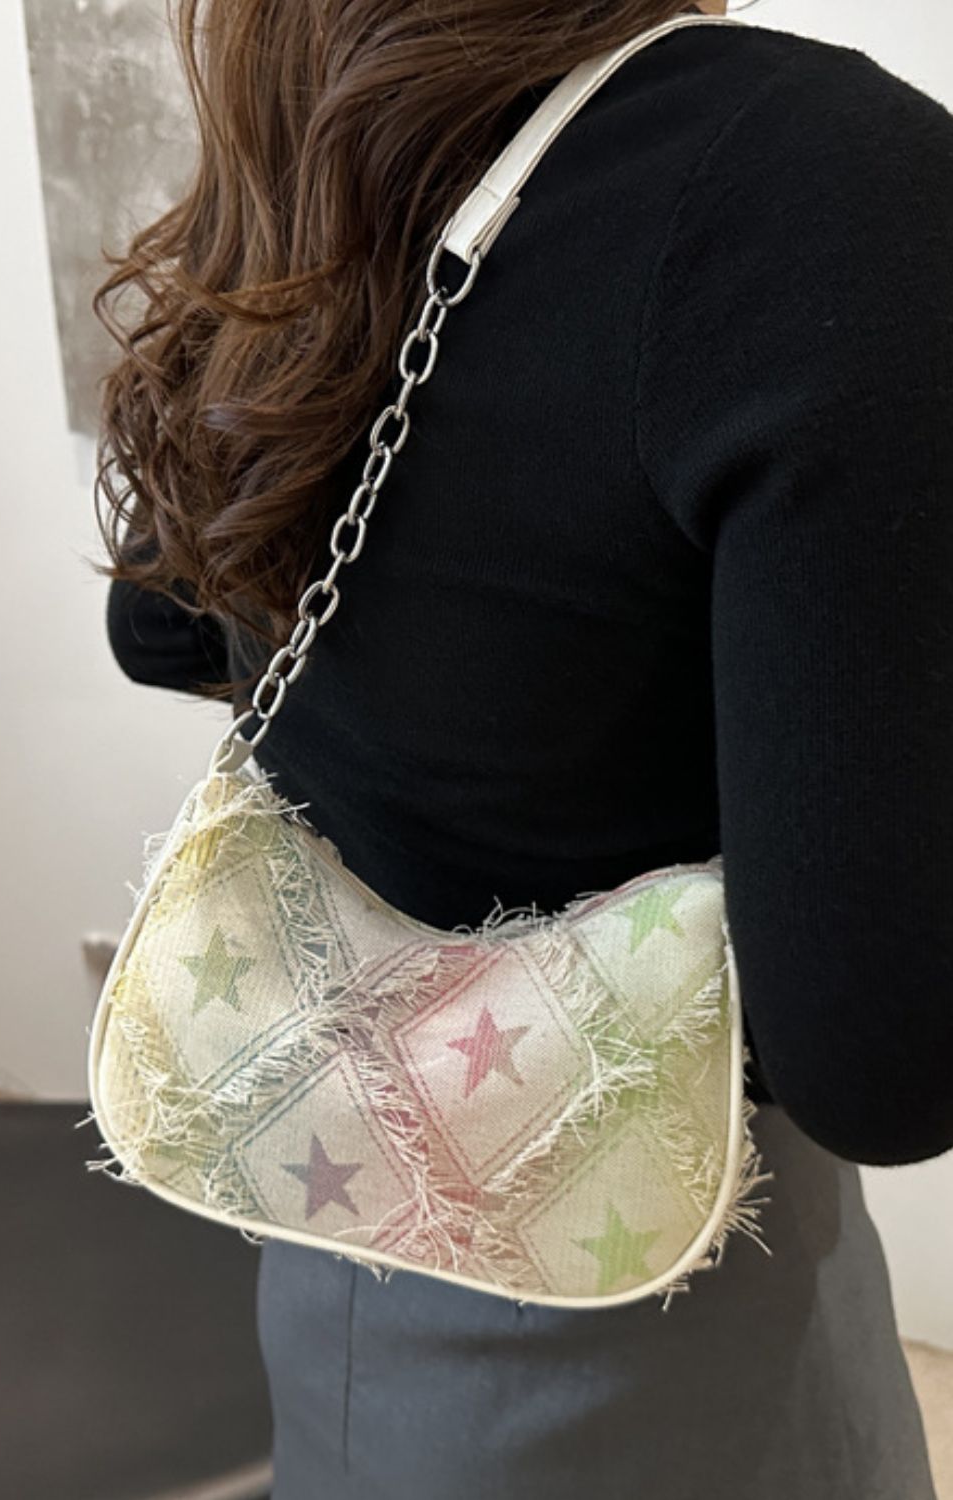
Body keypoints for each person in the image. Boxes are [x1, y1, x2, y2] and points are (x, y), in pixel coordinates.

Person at [96, 0, 953, 1494]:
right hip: (654, 1316)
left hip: (328, 1205)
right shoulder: (816, 176)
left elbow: (159, 628)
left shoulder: (328, 108)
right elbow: (880, 1068)